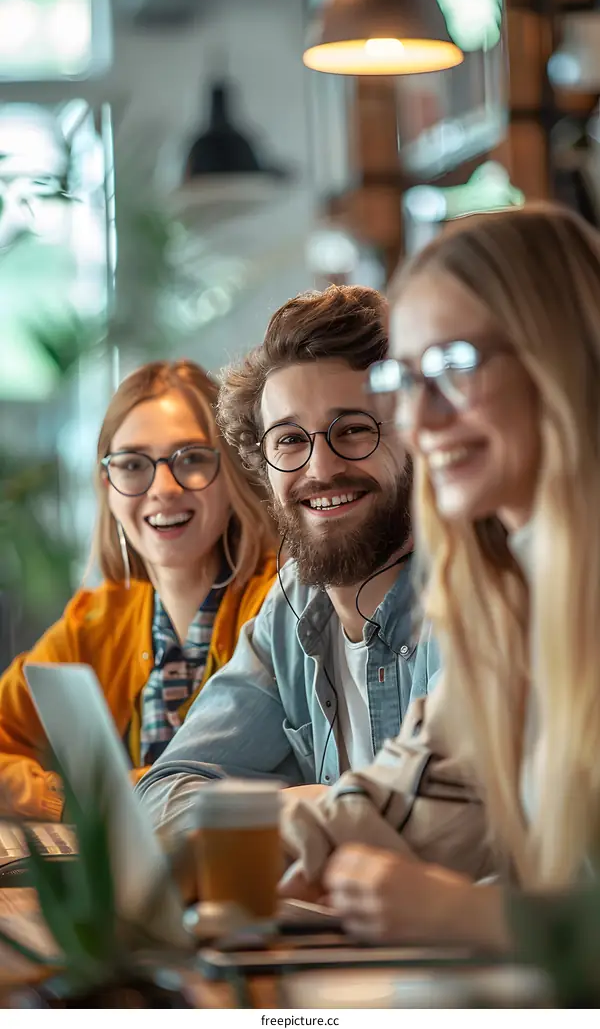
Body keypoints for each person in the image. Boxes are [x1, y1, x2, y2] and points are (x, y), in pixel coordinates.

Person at [281, 203, 600, 952]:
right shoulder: (505, 591)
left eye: (454, 367)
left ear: (557, 355)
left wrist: (476, 917)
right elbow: (415, 797)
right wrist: (218, 849)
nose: (419, 420)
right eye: (404, 378)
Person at [136, 285, 438, 839]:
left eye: (353, 430)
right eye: (289, 440)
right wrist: (304, 810)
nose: (320, 468)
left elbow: (444, 823)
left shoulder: (466, 600)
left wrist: (297, 814)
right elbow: (162, 794)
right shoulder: (294, 607)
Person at [0, 360, 276, 820]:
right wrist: (68, 797)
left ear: (232, 472)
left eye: (191, 458)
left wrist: (102, 796)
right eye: (132, 464)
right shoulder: (98, 618)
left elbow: (255, 785)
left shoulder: (281, 603)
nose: (163, 488)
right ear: (107, 486)